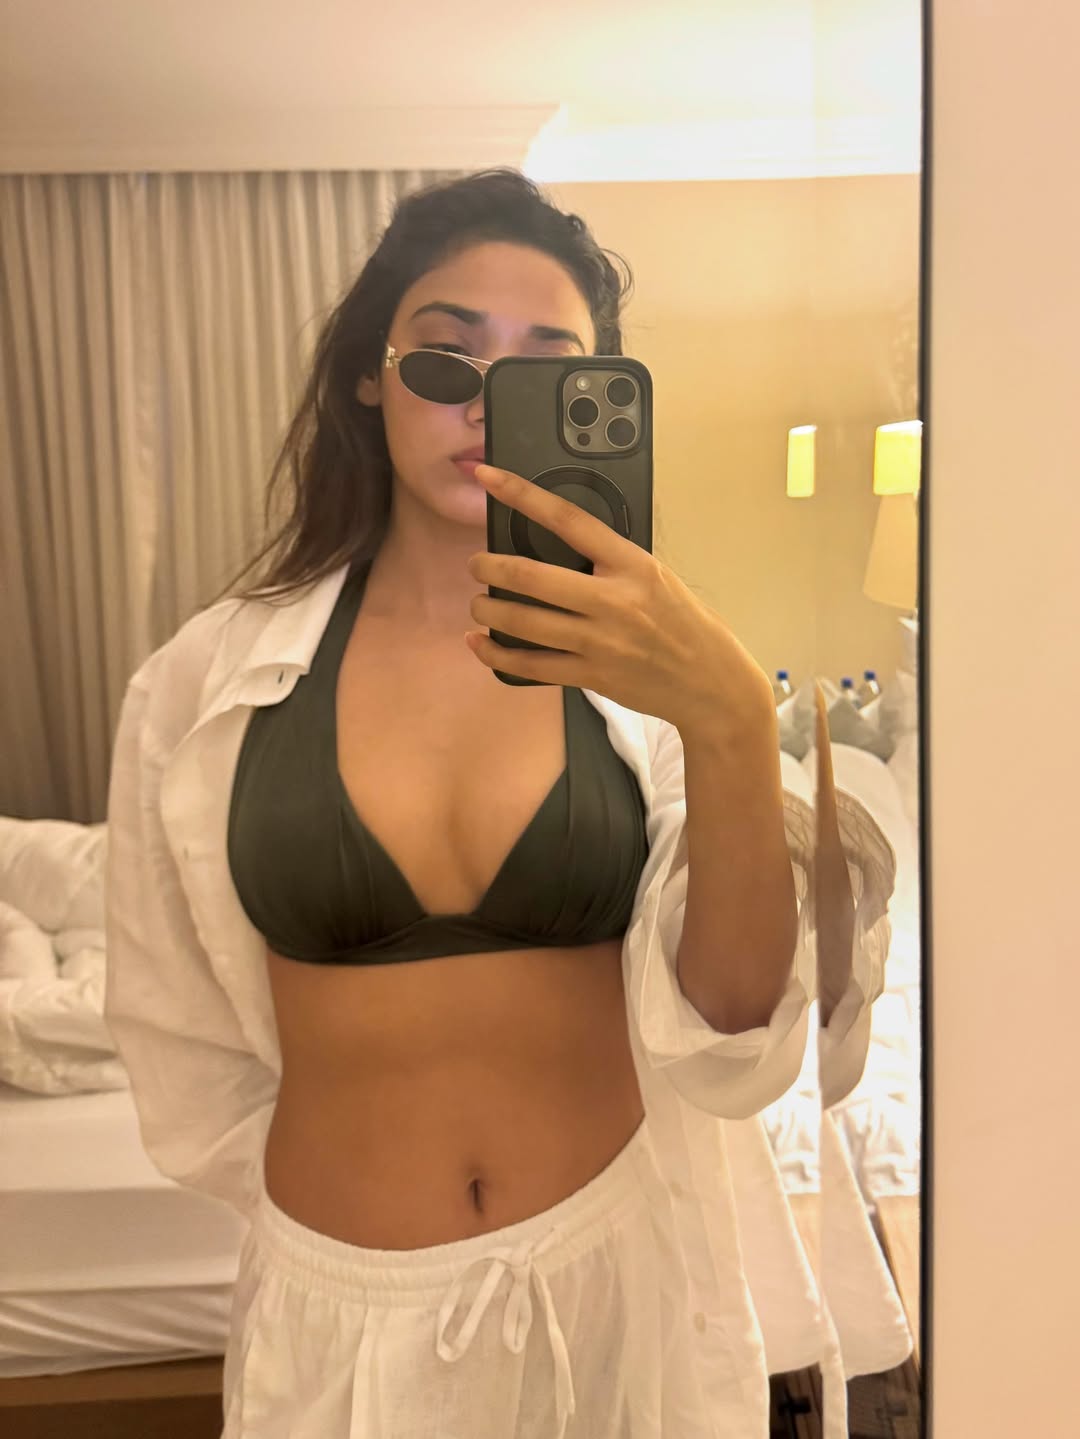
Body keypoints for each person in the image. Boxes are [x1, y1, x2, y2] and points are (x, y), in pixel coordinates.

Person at [104, 169, 833, 1438]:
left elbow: (732, 1019)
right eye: (447, 359)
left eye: (546, 370)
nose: (489, 406)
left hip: (614, 1291)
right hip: (337, 1324)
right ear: (369, 378)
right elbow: (177, 1031)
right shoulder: (200, 686)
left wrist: (730, 716)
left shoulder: (660, 681)